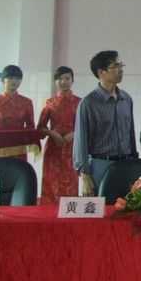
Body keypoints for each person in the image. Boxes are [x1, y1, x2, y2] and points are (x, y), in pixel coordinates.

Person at [73, 51, 137, 196]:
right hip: (101, 165)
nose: (121, 69)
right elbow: (81, 141)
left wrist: (134, 162)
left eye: (121, 65)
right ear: (101, 72)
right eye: (116, 66)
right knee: (102, 208)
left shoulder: (126, 99)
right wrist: (85, 175)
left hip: (126, 164)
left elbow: (131, 134)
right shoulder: (88, 103)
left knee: (126, 207)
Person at [37, 66, 80, 205]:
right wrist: (52, 133)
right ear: (55, 81)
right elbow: (40, 127)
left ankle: (70, 213)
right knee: (51, 182)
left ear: (72, 80)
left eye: (67, 78)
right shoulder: (50, 103)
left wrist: (74, 134)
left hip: (72, 148)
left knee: (71, 181)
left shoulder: (80, 102)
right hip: (53, 149)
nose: (63, 82)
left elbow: (86, 126)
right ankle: (48, 214)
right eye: (60, 79)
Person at [0, 64, 35, 160]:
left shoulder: (27, 102)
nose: (14, 81)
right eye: (11, 78)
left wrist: (22, 137)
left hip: (18, 150)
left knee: (18, 170)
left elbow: (31, 128)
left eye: (18, 78)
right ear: (3, 79)